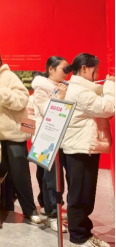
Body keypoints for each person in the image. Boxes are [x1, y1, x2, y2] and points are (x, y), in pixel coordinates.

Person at [0, 48, 43, 226]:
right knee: (0, 172)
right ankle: (5, 204)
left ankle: (30, 210)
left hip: (14, 134)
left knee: (20, 174)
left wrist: (1, 92)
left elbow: (22, 100)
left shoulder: (9, 76)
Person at [61, 54, 115, 247]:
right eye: (95, 70)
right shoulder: (78, 90)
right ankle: (79, 237)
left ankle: (84, 231)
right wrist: (110, 86)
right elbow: (107, 107)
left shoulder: (79, 88)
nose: (98, 74)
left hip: (83, 146)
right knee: (80, 195)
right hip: (80, 149)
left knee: (84, 193)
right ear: (84, 68)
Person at [30, 57, 71, 232]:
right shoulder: (41, 88)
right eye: (63, 69)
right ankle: (53, 215)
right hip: (46, 138)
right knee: (51, 179)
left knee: (49, 176)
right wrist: (61, 97)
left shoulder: (64, 86)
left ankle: (49, 208)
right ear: (51, 69)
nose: (66, 73)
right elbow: (48, 111)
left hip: (59, 137)